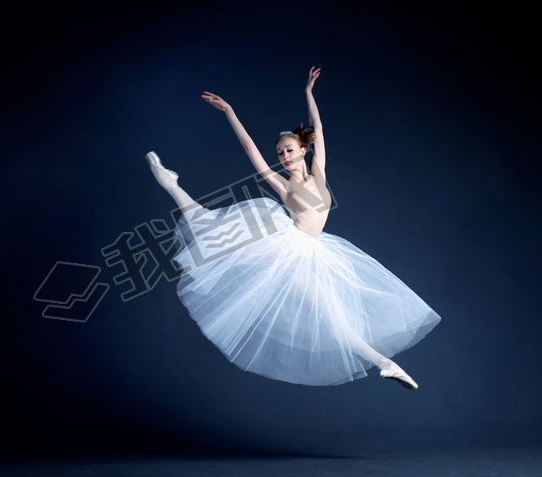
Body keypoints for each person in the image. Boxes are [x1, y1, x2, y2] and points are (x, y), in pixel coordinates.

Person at [145, 67, 440, 389]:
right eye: (280, 153)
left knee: (335, 317)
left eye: (289, 150)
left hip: (314, 250)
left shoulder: (319, 173)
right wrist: (229, 111)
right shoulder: (283, 185)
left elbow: (319, 128)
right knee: (210, 228)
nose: (284, 156)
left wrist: (309, 93)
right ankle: (172, 185)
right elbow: (249, 149)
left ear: (303, 149)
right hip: (285, 243)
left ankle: (385, 363)